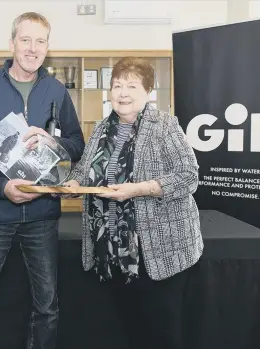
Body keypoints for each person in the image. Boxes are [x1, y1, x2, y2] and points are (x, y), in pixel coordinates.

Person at [0, 12, 85, 349]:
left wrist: (53, 142)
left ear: (47, 47)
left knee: (47, 308)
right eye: (25, 40)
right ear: (12, 44)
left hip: (41, 216)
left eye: (40, 41)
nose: (32, 48)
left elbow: (77, 144)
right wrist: (1, 188)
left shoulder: (56, 89)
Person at [64, 57, 203, 349]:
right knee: (131, 331)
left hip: (158, 252)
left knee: (161, 334)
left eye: (131, 85)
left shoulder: (164, 125)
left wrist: (139, 189)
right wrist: (75, 184)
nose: (123, 92)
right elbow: (85, 169)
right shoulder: (102, 129)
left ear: (148, 92)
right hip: (113, 254)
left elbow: (188, 176)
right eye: (117, 85)